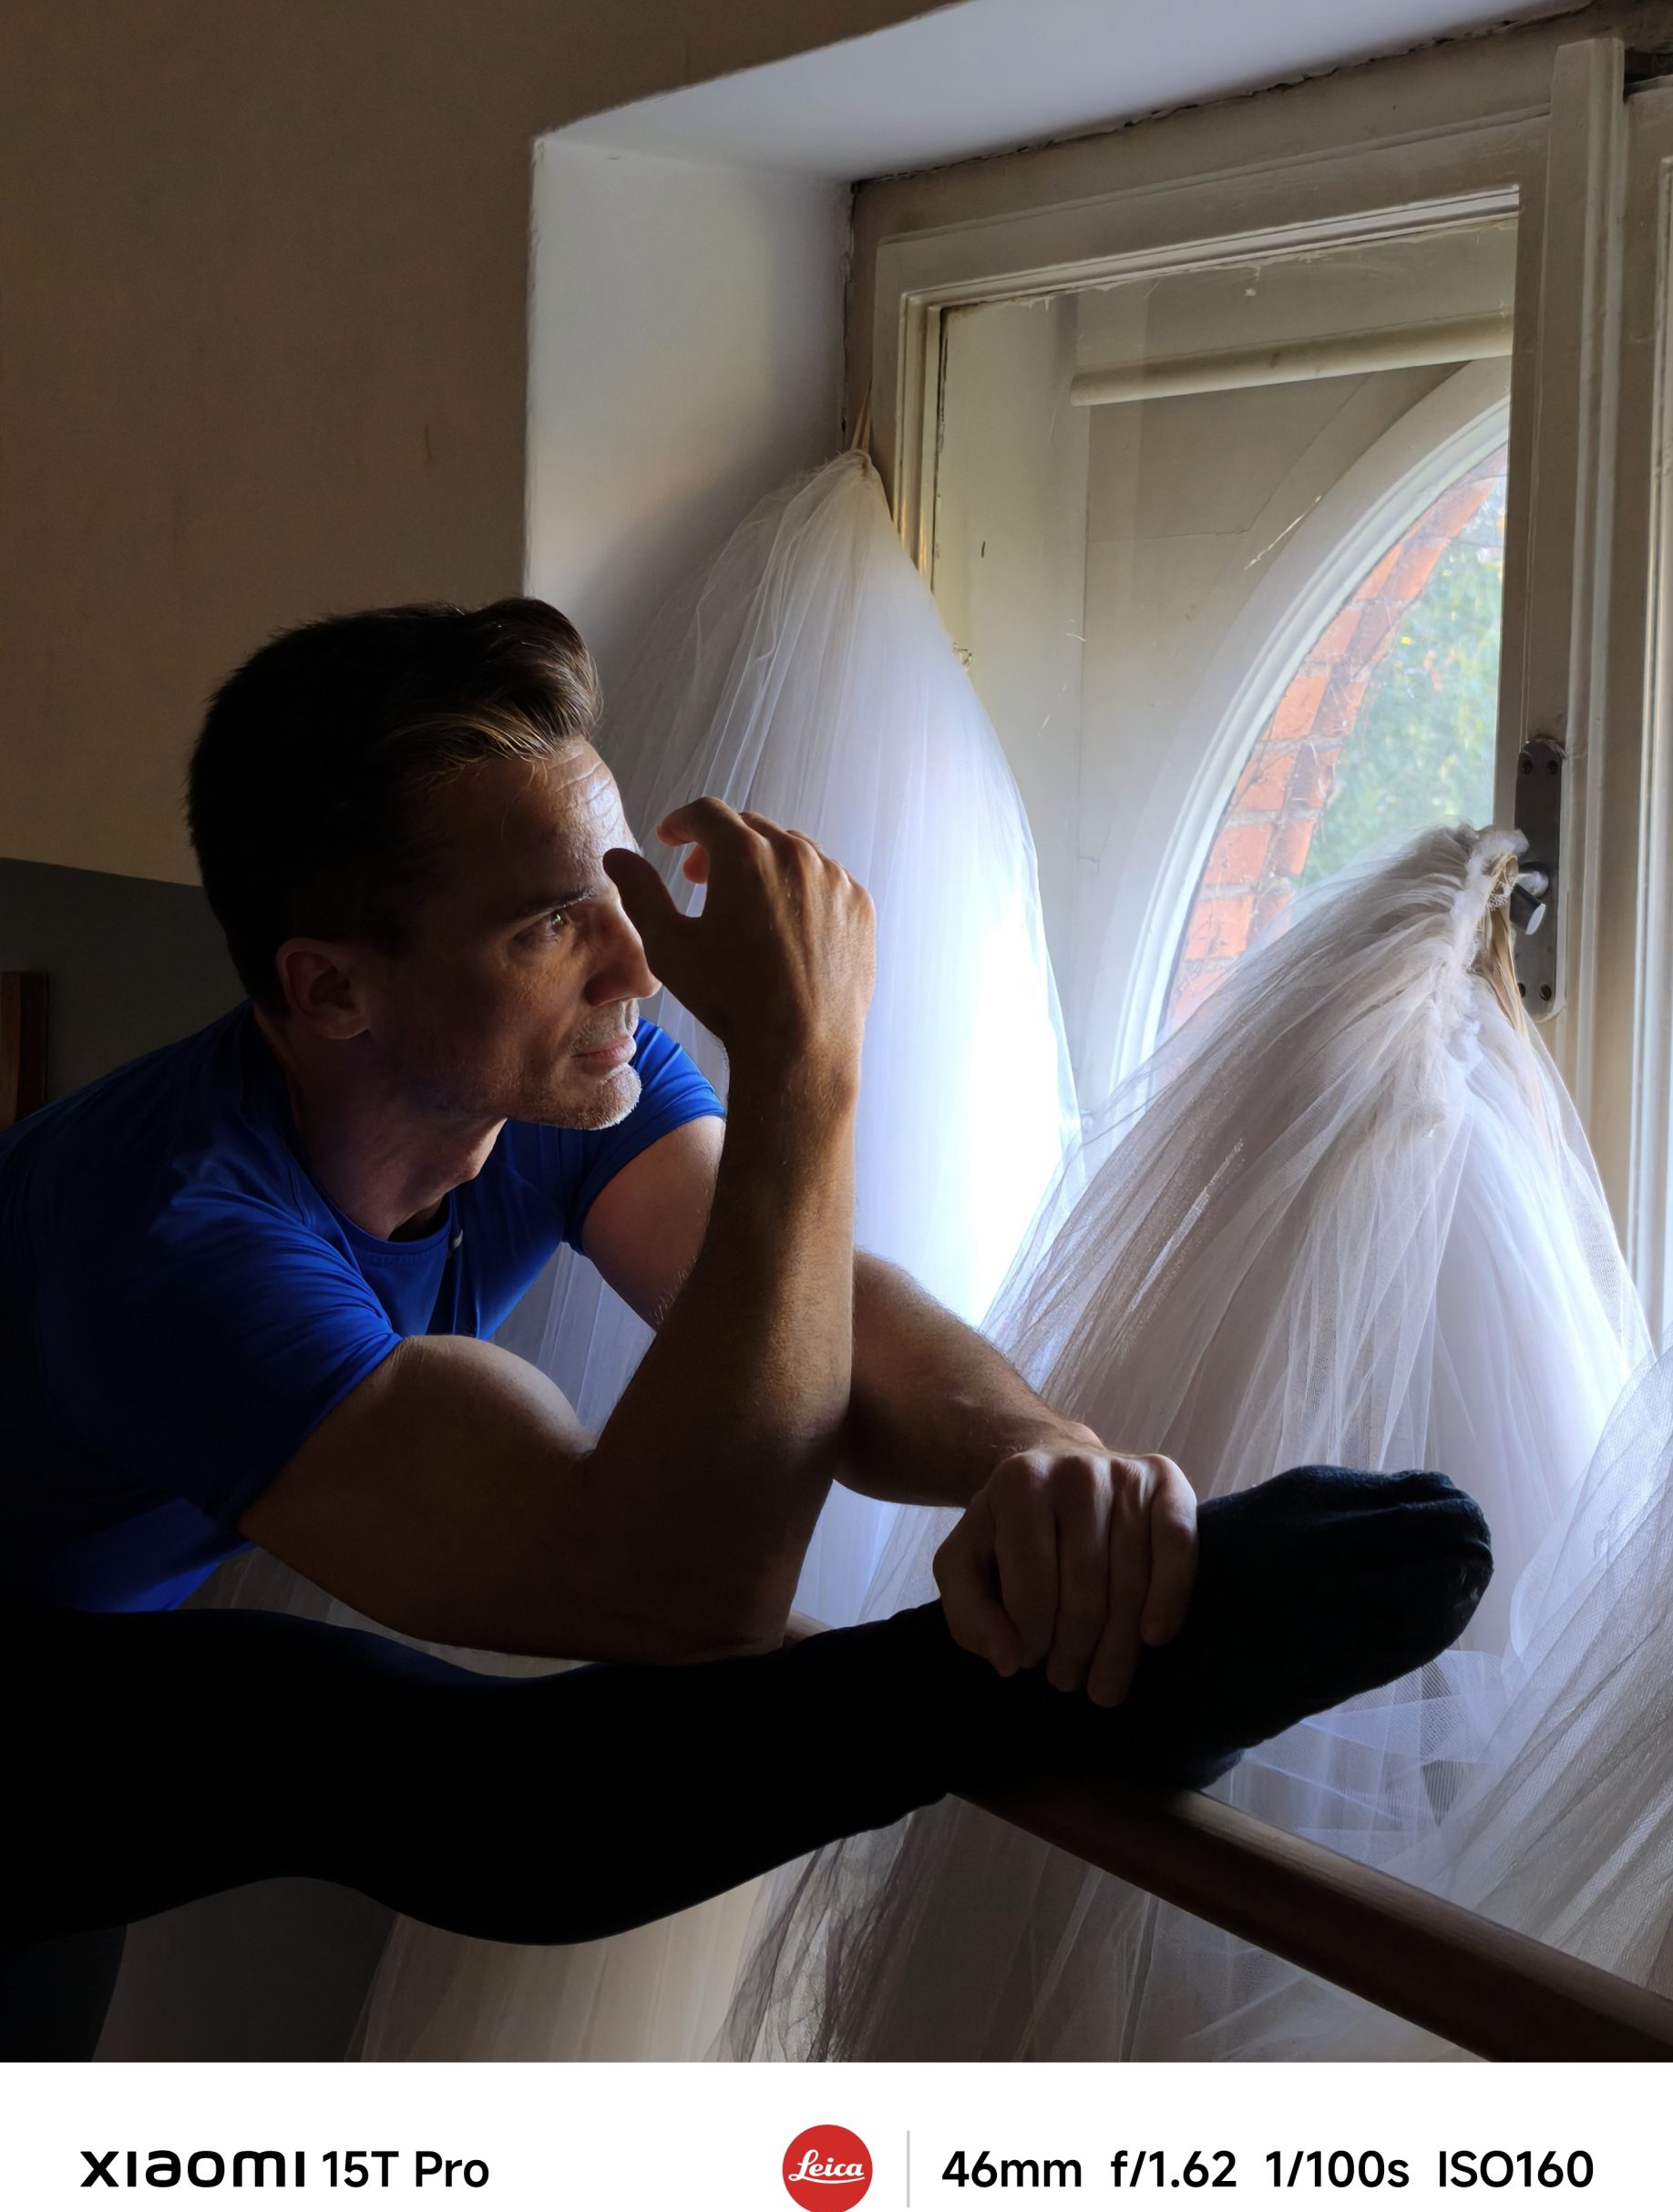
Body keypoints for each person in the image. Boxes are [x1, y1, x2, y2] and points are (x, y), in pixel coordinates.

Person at [0, 599, 1491, 2058]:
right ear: (332, 988)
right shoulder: (175, 1246)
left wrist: (1043, 1462)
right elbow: (684, 1597)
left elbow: (815, 1320)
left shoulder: (554, 1073)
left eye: (617, 892)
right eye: (548, 926)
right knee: (374, 1757)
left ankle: (1067, 1679)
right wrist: (803, 1066)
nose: (634, 966)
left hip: (85, 1628)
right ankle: (1051, 1696)